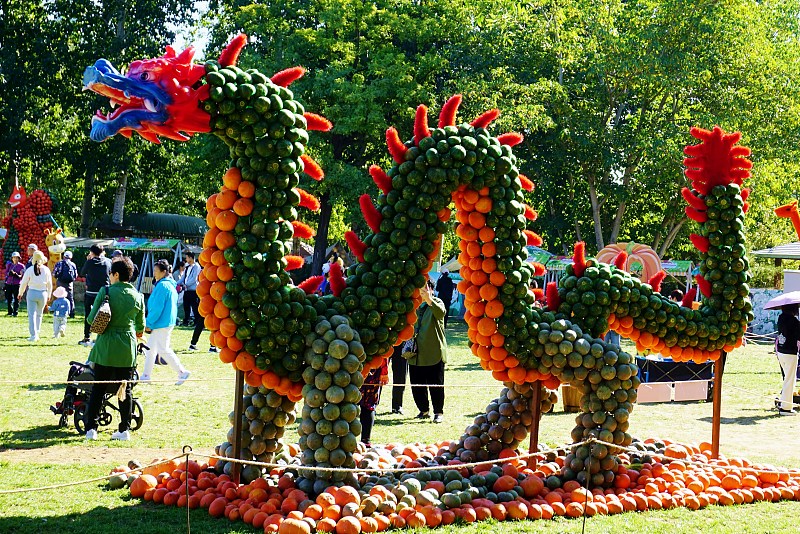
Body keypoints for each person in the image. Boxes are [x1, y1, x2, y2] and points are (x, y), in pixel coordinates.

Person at [84, 257, 145, 441]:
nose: (109, 277)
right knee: (124, 389)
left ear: (116, 274)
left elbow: (90, 319)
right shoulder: (138, 296)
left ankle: (91, 429)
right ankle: (124, 430)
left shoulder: (106, 291)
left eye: (111, 273)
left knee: (98, 388)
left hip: (106, 346)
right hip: (127, 348)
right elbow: (141, 327)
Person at [141, 260, 191, 385]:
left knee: (163, 350)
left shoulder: (163, 286)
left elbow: (157, 308)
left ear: (163, 272)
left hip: (161, 323)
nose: (154, 274)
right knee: (151, 349)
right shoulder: (169, 284)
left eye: (156, 271)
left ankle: (182, 372)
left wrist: (149, 323)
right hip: (166, 322)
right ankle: (146, 376)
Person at [407, 280, 447, 422]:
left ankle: (438, 413)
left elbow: (441, 313)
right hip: (415, 353)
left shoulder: (437, 302)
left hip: (433, 353)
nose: (421, 291)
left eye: (425, 287)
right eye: (419, 288)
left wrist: (429, 300)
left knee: (435, 385)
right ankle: (423, 410)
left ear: (431, 289)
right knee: (417, 386)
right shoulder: (413, 306)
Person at [79, 244, 112, 346]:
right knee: (105, 314)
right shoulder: (108, 261)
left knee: (89, 314)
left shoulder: (90, 262)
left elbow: (82, 273)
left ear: (92, 252)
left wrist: (88, 260)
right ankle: (103, 336)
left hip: (91, 292)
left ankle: (87, 337)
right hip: (104, 292)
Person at [19, 250, 52, 342]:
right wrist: (49, 294)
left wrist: (20, 293)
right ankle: (37, 332)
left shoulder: (29, 270)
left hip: (32, 292)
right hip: (43, 293)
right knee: (39, 314)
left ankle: (33, 335)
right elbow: (49, 284)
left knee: (31, 314)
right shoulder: (46, 270)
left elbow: (24, 283)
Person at [775, 303, 799, 416]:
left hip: (781, 351)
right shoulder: (795, 322)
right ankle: (785, 407)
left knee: (787, 379)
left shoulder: (780, 318)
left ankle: (783, 402)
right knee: (790, 380)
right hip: (790, 353)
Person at [359, 359, 389, 447]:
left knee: (368, 405)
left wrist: (384, 371)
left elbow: (384, 352)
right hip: (351, 366)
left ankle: (365, 439)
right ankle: (348, 439)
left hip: (373, 366)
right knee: (348, 404)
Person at [53, 250, 78, 318]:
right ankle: (72, 313)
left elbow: (54, 273)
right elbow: (75, 275)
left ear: (63, 256)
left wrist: (57, 277)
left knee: (60, 297)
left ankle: (60, 311)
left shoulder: (59, 263)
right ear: (71, 257)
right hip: (69, 283)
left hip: (60, 282)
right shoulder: (73, 264)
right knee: (70, 298)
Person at [4, 251, 24, 316]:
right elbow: (6, 273)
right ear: (12, 258)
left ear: (19, 258)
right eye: (14, 257)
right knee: (9, 298)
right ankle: (10, 311)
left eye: (16, 258)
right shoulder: (9, 265)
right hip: (9, 283)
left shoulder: (21, 266)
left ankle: (15, 312)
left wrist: (16, 275)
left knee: (16, 298)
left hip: (16, 284)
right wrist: (9, 273)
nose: (15, 259)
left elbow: (22, 275)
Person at [390, 343, 408, 415]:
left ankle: (397, 406)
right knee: (378, 375)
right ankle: (373, 405)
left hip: (401, 345)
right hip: (385, 342)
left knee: (400, 376)